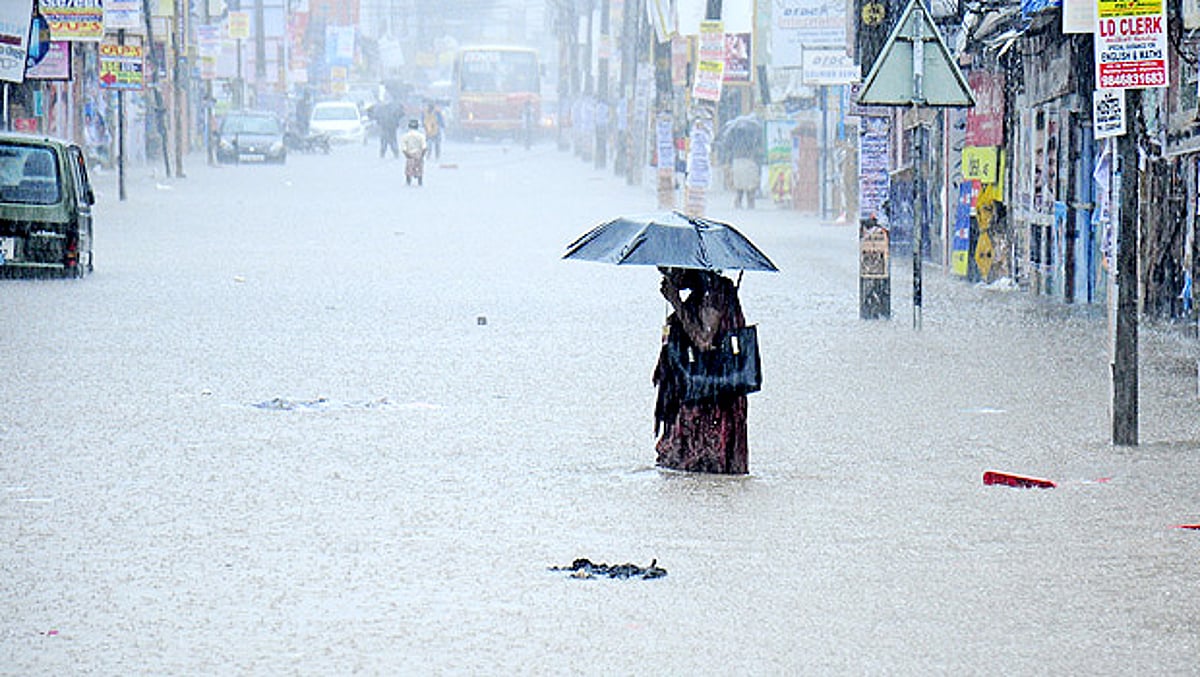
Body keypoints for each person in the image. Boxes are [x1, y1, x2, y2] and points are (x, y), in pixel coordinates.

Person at [652, 267, 749, 474]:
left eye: (672, 271)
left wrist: (675, 301)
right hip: (704, 389)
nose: (668, 277)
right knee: (686, 463)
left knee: (699, 458)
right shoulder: (704, 292)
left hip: (711, 394)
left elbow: (704, 340)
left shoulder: (713, 292)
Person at [400, 119, 427, 186]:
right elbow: (424, 147)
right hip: (419, 154)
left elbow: (404, 148)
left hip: (409, 155)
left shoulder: (405, 136)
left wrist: (407, 156)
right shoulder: (421, 136)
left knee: (408, 170)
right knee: (419, 169)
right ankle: (420, 182)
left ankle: (408, 182)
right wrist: (422, 155)